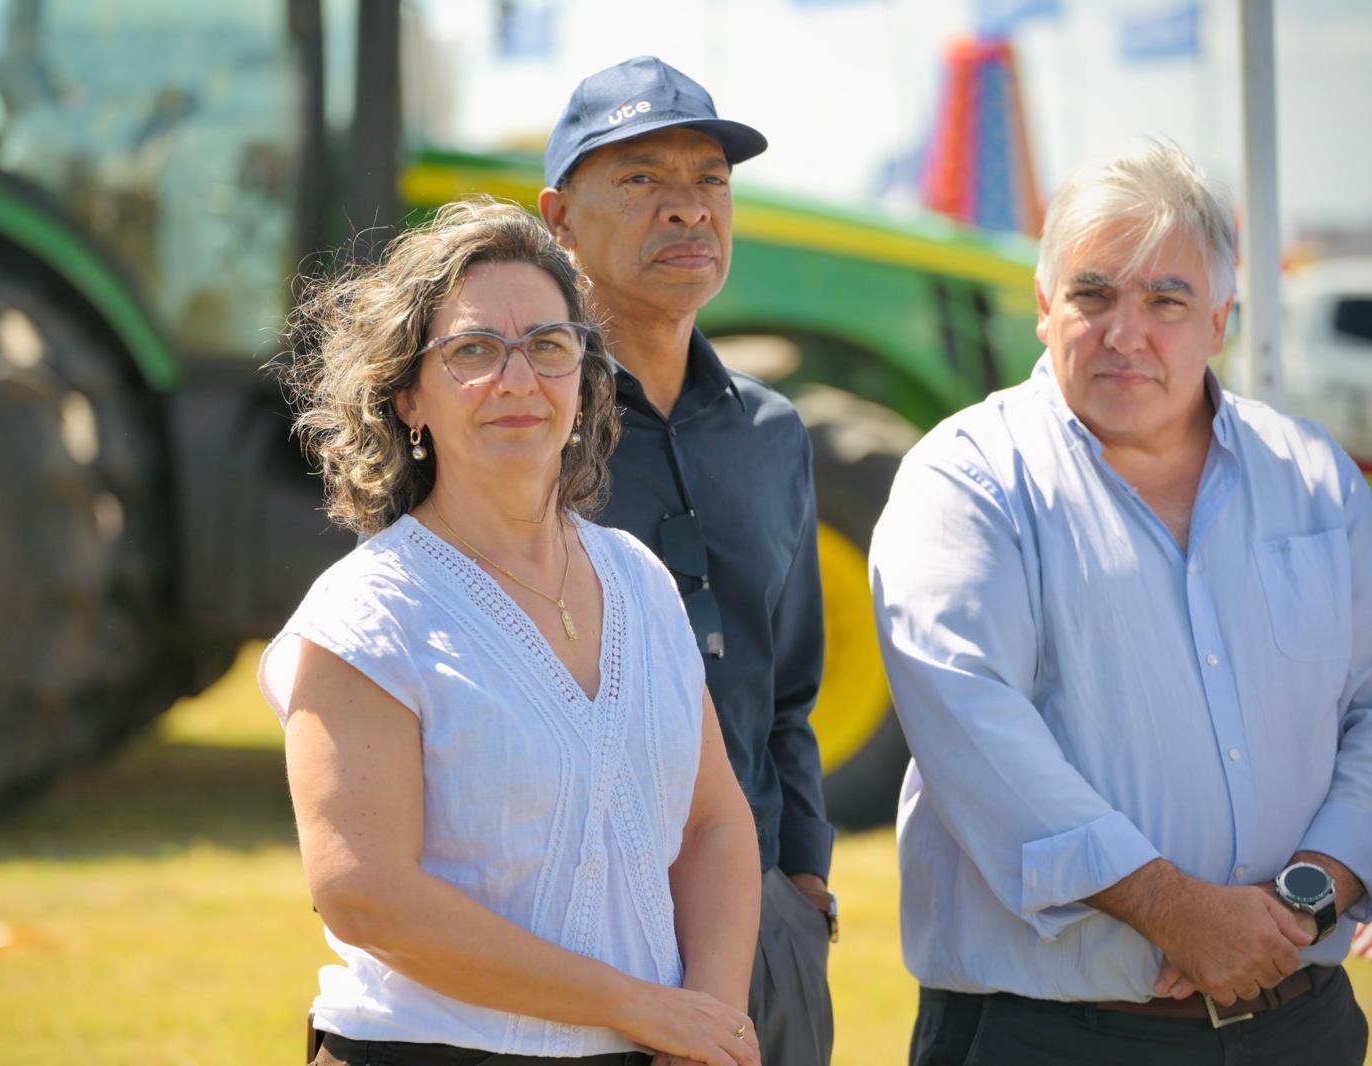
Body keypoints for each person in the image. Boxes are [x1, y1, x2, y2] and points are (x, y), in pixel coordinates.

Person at [870, 142, 1370, 1065]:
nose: (1125, 333)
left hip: (1303, 1024)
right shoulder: (967, 480)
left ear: (1220, 318)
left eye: (1167, 300)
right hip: (1051, 1036)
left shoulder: (1314, 480)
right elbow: (974, 724)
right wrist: (1178, 912)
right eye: (1093, 294)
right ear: (1042, 306)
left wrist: (1313, 892)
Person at [260, 199, 764, 1066]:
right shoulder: (371, 612)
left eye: (548, 346)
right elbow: (366, 897)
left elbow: (714, 823)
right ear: (408, 395)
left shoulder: (640, 583)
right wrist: (638, 1006)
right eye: (473, 351)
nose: (518, 380)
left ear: (584, 376)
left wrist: (707, 1019)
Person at [537, 57, 835, 1066]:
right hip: (566, 940)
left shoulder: (773, 432)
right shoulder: (512, 427)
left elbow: (787, 689)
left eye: (710, 180)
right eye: (640, 180)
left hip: (760, 930)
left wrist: (802, 889)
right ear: (558, 218)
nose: (687, 210)